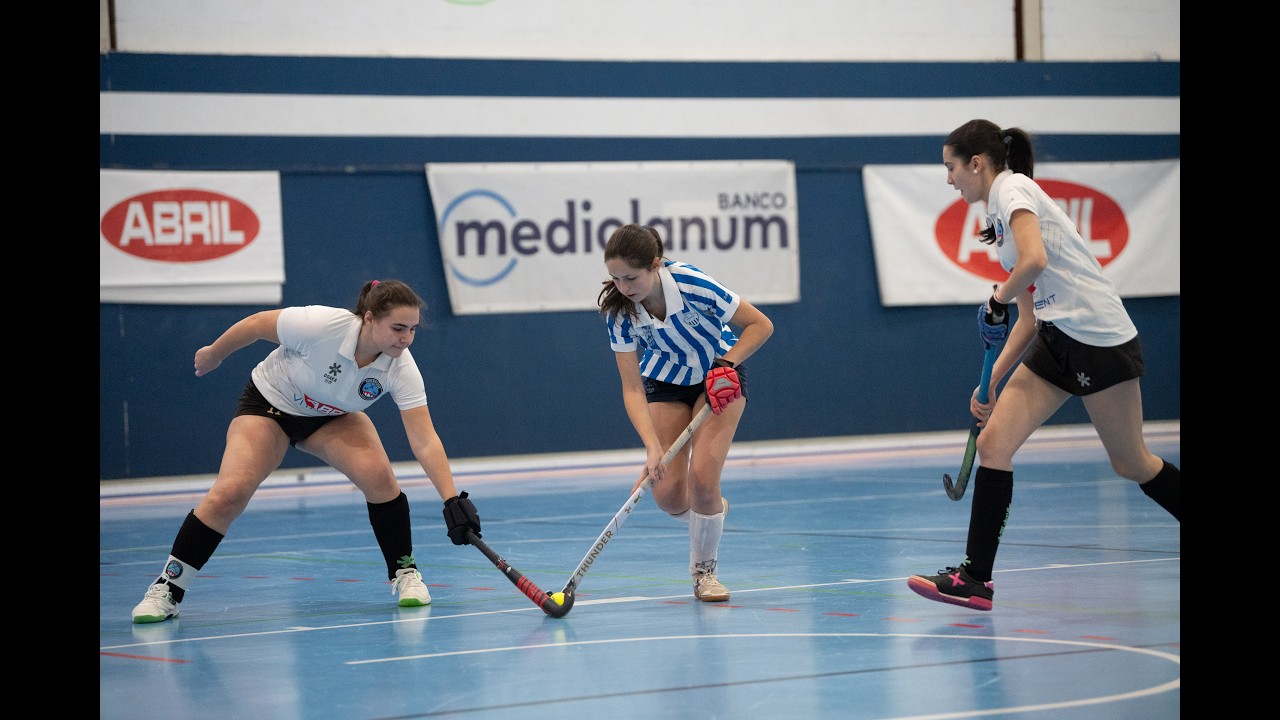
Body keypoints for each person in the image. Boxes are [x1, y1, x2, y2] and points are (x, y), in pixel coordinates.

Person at [907, 119, 1181, 611]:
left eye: (950, 167)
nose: (948, 179)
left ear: (977, 163)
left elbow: (1032, 260)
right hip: (1055, 337)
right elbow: (1031, 315)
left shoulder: (1013, 189)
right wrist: (991, 381)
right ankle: (975, 579)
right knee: (993, 443)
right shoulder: (997, 215)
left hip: (1097, 338)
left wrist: (996, 296)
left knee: (1131, 462)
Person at [131, 279, 483, 623]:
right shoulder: (321, 326)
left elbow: (424, 439)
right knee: (229, 494)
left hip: (332, 417)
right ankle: (168, 588)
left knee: (379, 478)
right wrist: (214, 353)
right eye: (398, 328)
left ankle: (405, 571)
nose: (406, 339)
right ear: (370, 318)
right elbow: (255, 325)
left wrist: (451, 499)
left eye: (412, 329)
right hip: (269, 407)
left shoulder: (400, 367)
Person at [598, 224, 774, 602]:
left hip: (719, 373)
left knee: (703, 480)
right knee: (670, 497)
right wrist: (651, 448)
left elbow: (761, 325)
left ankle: (704, 573)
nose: (624, 287)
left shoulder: (694, 283)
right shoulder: (618, 311)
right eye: (615, 278)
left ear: (655, 265)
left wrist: (727, 364)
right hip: (667, 383)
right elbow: (631, 388)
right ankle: (712, 511)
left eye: (631, 277)